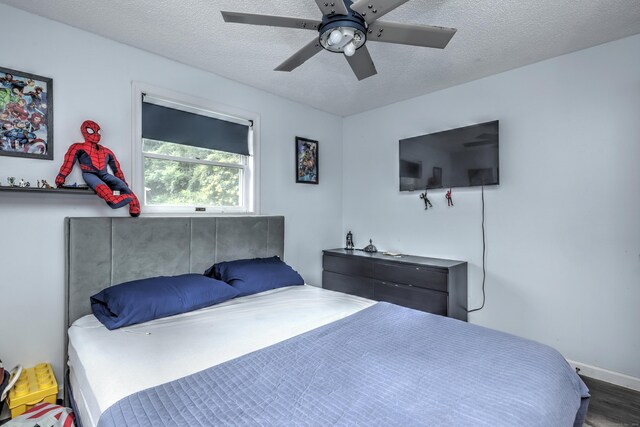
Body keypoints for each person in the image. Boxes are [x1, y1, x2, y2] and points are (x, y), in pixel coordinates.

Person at [56, 120, 140, 217]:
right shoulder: (78, 147)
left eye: (98, 132)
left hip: (104, 174)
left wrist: (122, 180)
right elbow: (68, 162)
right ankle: (113, 200)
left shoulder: (106, 151)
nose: (96, 134)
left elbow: (116, 168)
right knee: (102, 188)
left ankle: (134, 206)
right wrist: (61, 177)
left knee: (122, 185)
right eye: (91, 131)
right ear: (85, 131)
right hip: (89, 173)